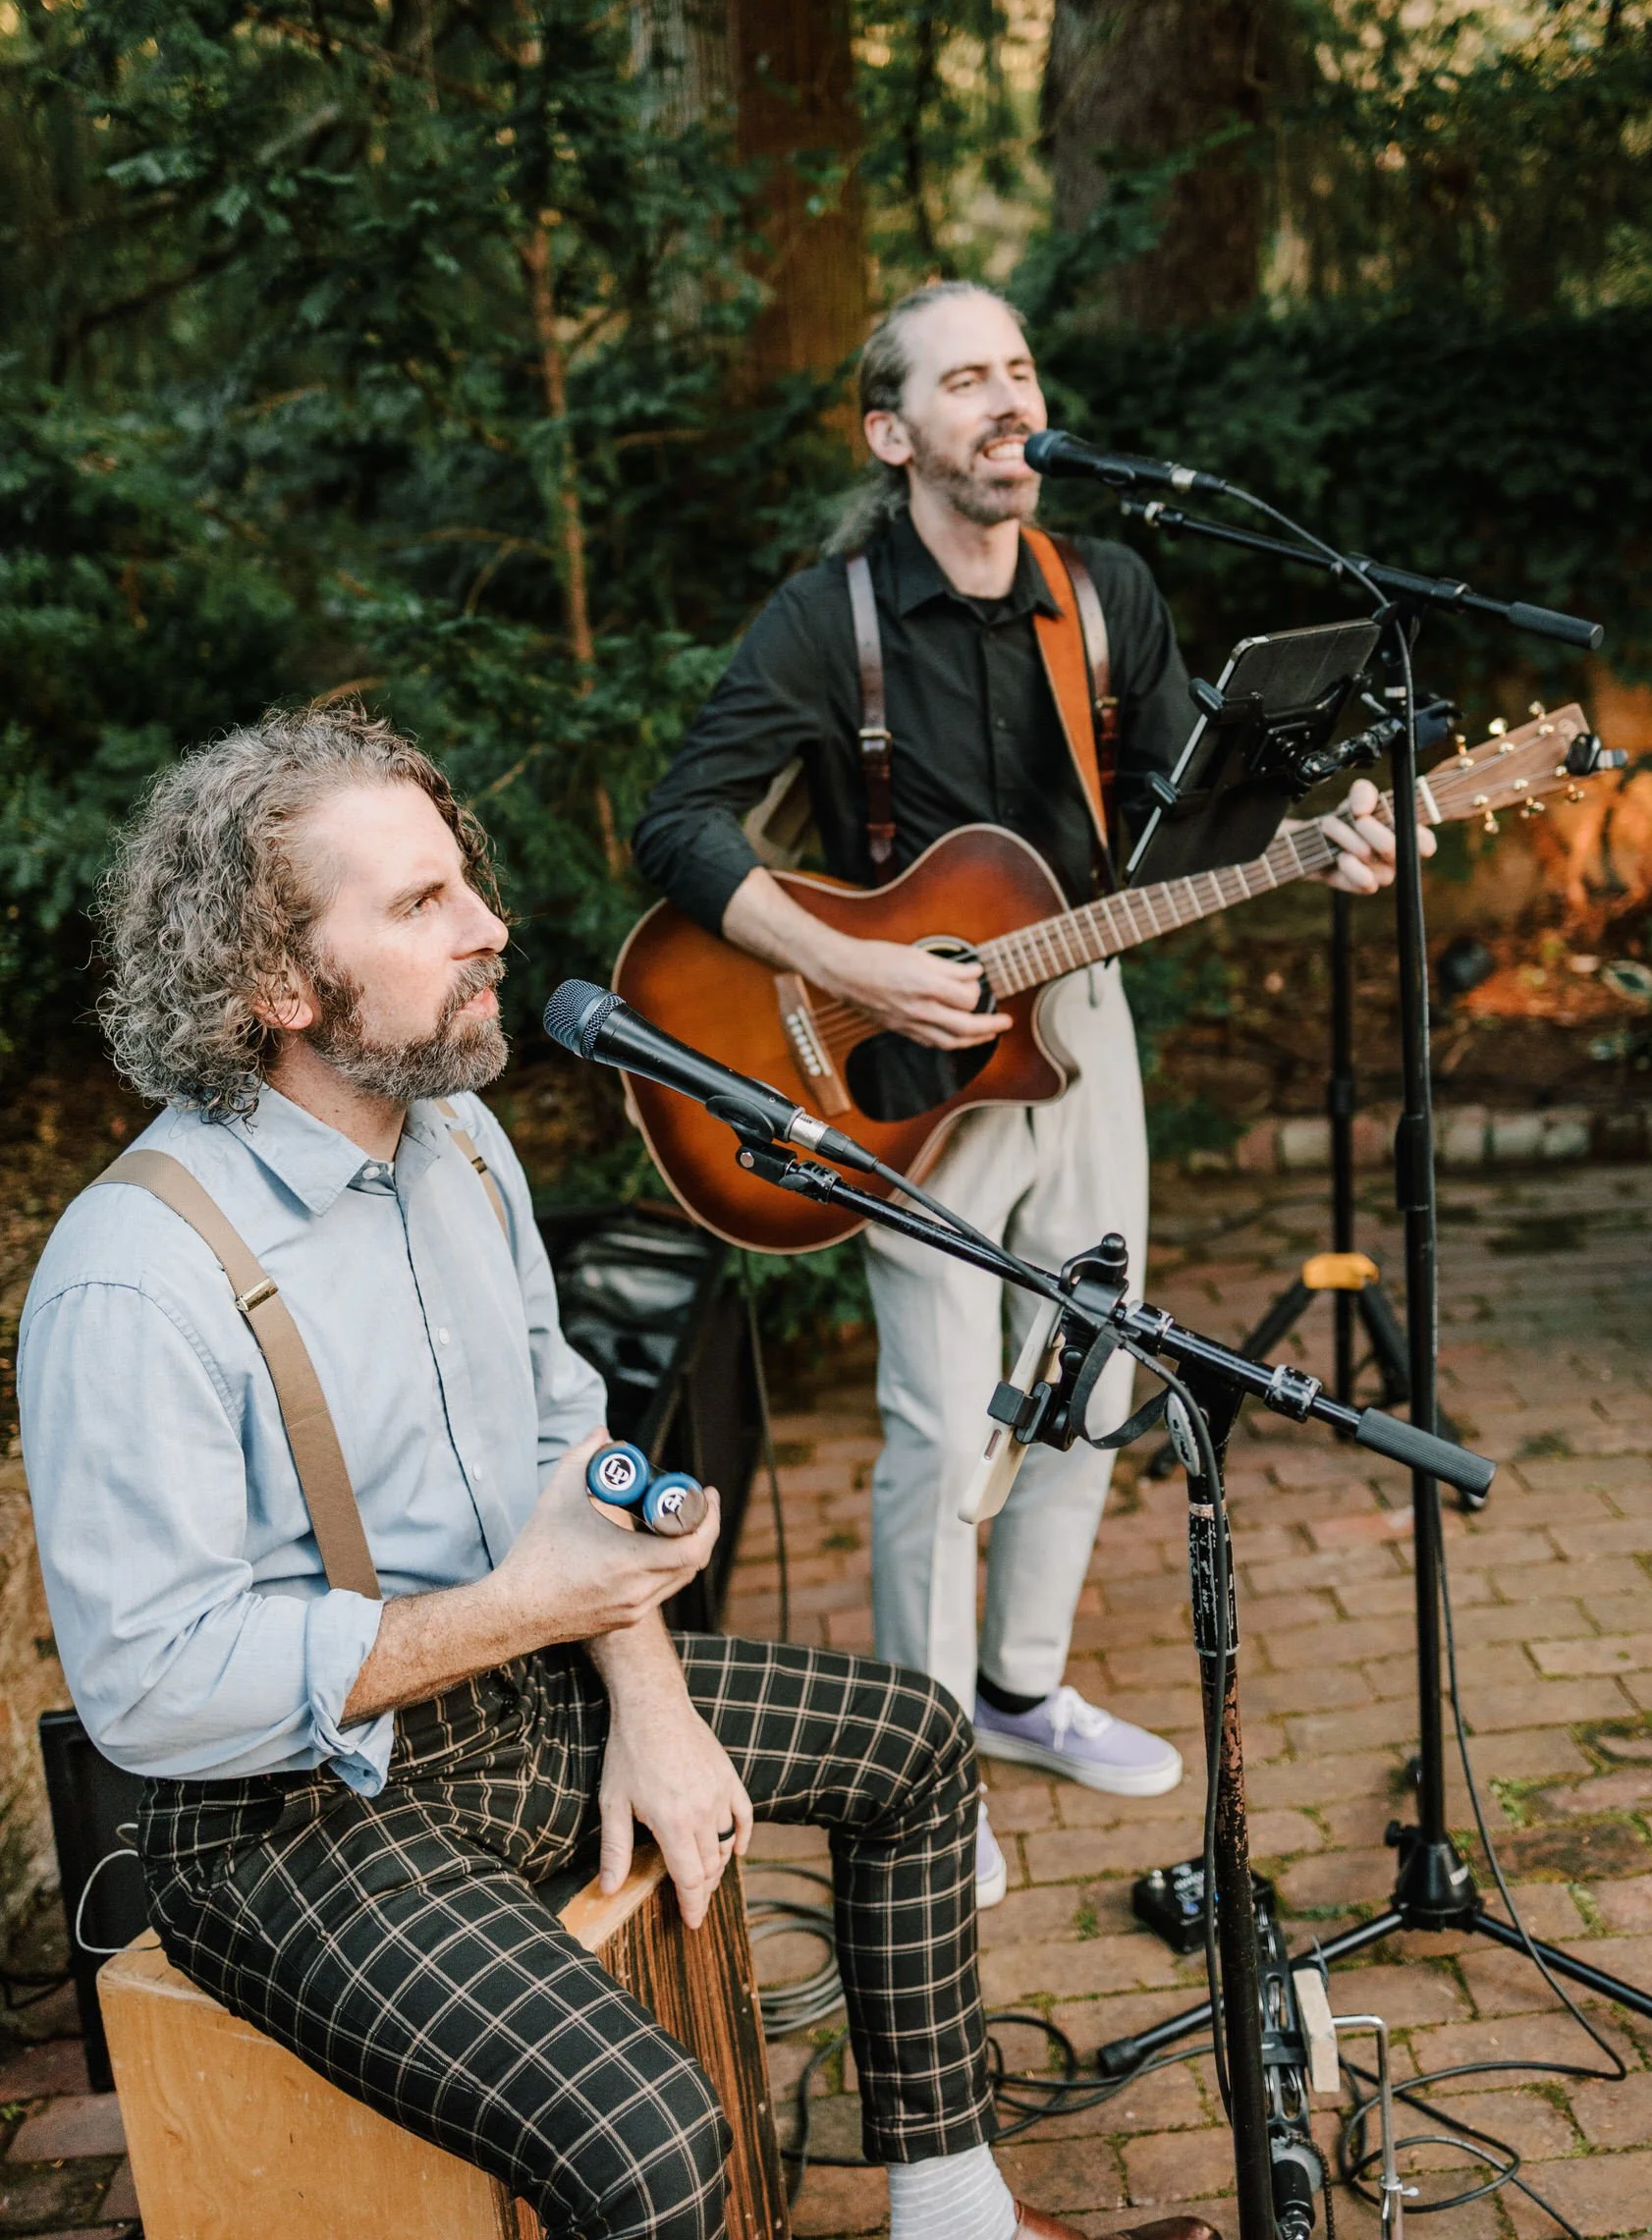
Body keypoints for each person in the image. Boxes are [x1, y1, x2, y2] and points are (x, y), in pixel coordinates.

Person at [19, 708, 1214, 2240]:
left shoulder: (455, 1140)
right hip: (280, 1822)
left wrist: (645, 1696)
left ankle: (957, 2218)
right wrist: (543, 1606)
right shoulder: (135, 1276)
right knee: (653, 2148)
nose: (491, 926)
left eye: (465, 883)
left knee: (913, 1741)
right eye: (419, 905)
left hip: (514, 1695)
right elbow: (153, 1687)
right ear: (277, 986)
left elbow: (556, 1438)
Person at [633, 282, 1423, 1907]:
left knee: (1103, 1350)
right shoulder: (828, 617)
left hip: (1080, 1023)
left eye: (1020, 370)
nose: (1007, 401)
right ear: (893, 432)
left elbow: (1176, 823)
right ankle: (925, 1761)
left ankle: (1022, 1684)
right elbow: (684, 830)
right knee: (939, 1412)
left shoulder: (1104, 589)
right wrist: (844, 968)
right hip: (897, 1062)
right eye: (964, 379)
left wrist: (1311, 842)